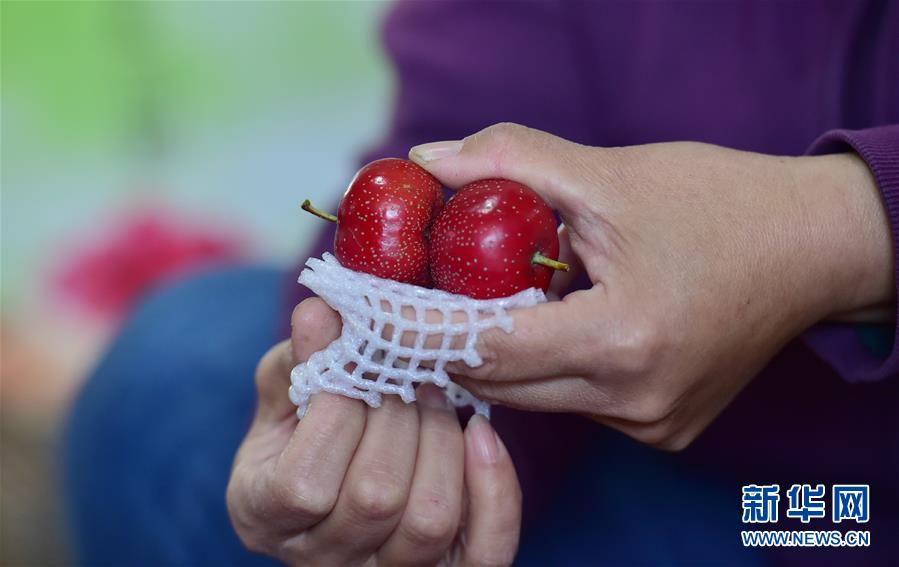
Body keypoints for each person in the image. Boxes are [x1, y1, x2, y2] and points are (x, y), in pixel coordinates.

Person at [64, 1, 898, 565]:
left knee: (816, 525)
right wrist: (407, 430)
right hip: (613, 444)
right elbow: (442, 161)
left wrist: (842, 227)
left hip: (840, 509)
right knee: (172, 396)